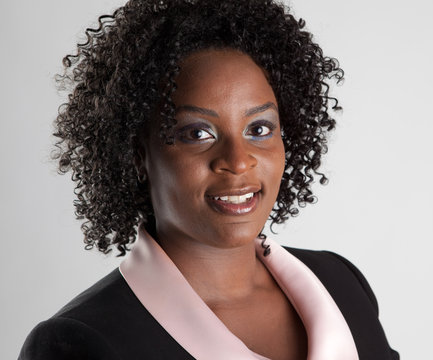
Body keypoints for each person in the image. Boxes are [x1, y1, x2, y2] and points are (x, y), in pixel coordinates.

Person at [19, 0, 399, 359]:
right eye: (197, 133)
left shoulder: (341, 284)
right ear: (138, 154)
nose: (237, 161)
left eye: (259, 128)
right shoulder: (80, 342)